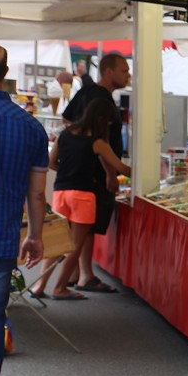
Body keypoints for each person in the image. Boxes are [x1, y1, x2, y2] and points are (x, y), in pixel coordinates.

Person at [31, 99, 131, 300]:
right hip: (83, 196)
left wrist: (67, 172)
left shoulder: (65, 134)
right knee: (74, 246)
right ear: (102, 119)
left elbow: (51, 162)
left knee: (57, 242)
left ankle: (38, 286)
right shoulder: (97, 142)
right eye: (110, 123)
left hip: (61, 193)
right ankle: (59, 288)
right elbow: (122, 169)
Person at [0, 43, 49, 376]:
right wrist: (36, 236)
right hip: (1, 241)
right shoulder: (30, 128)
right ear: (6, 73)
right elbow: (38, 195)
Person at [57, 52, 130, 293]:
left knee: (76, 229)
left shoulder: (86, 92)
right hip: (95, 174)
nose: (128, 75)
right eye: (123, 70)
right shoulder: (101, 100)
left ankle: (76, 274)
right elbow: (99, 140)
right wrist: (109, 172)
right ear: (108, 72)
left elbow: (67, 121)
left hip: (76, 176)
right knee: (84, 226)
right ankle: (84, 275)